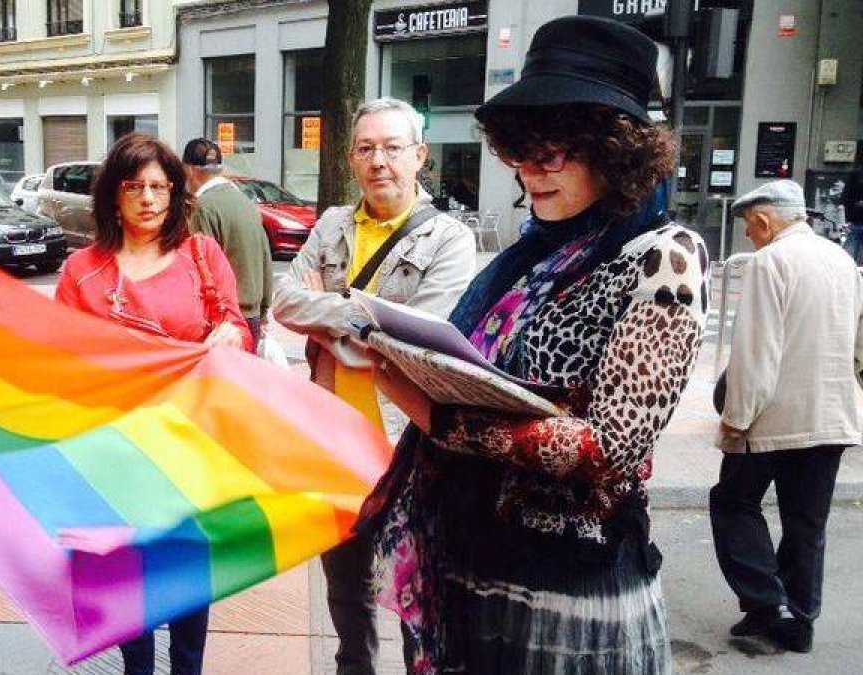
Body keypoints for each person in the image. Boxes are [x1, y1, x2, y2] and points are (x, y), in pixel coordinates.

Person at [357, 17, 710, 673]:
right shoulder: (525, 258)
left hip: (570, 589)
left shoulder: (666, 255)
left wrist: (439, 416)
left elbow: (610, 446)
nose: (531, 174)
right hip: (471, 559)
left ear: (615, 151)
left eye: (552, 155)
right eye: (522, 153)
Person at [272, 97, 475, 675]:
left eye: (391, 147)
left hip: (407, 445)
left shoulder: (448, 239)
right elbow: (285, 300)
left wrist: (329, 310)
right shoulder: (335, 223)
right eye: (366, 148)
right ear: (352, 157)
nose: (377, 161)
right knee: (347, 590)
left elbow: (423, 339)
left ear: (419, 156)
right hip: (332, 445)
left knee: (417, 592)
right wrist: (363, 321)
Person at [54, 133, 251, 675]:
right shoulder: (81, 271)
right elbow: (63, 359)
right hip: (113, 444)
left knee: (188, 565)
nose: (147, 198)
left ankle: (187, 668)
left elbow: (232, 320)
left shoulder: (200, 255)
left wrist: (232, 335)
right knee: (126, 568)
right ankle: (136, 667)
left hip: (190, 439)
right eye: (134, 186)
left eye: (159, 187)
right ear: (112, 195)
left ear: (175, 194)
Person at [709, 179, 863, 654]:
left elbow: (756, 351)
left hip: (772, 418)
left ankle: (764, 605)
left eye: (750, 229)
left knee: (732, 502)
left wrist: (736, 418)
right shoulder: (842, 260)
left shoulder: (769, 261)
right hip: (832, 414)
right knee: (806, 522)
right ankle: (799, 619)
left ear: (763, 220)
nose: (750, 238)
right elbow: (859, 342)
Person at [182, 138, 274, 343]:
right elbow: (265, 256)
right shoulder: (246, 202)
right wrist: (264, 310)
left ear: (188, 170)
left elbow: (201, 266)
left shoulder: (202, 206)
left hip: (225, 322)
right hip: (253, 316)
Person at [843, 164, 863, 263]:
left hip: (854, 220)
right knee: (849, 252)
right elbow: (846, 197)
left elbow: (846, 197)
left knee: (849, 254)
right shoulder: (856, 174)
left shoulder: (855, 174)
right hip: (855, 220)